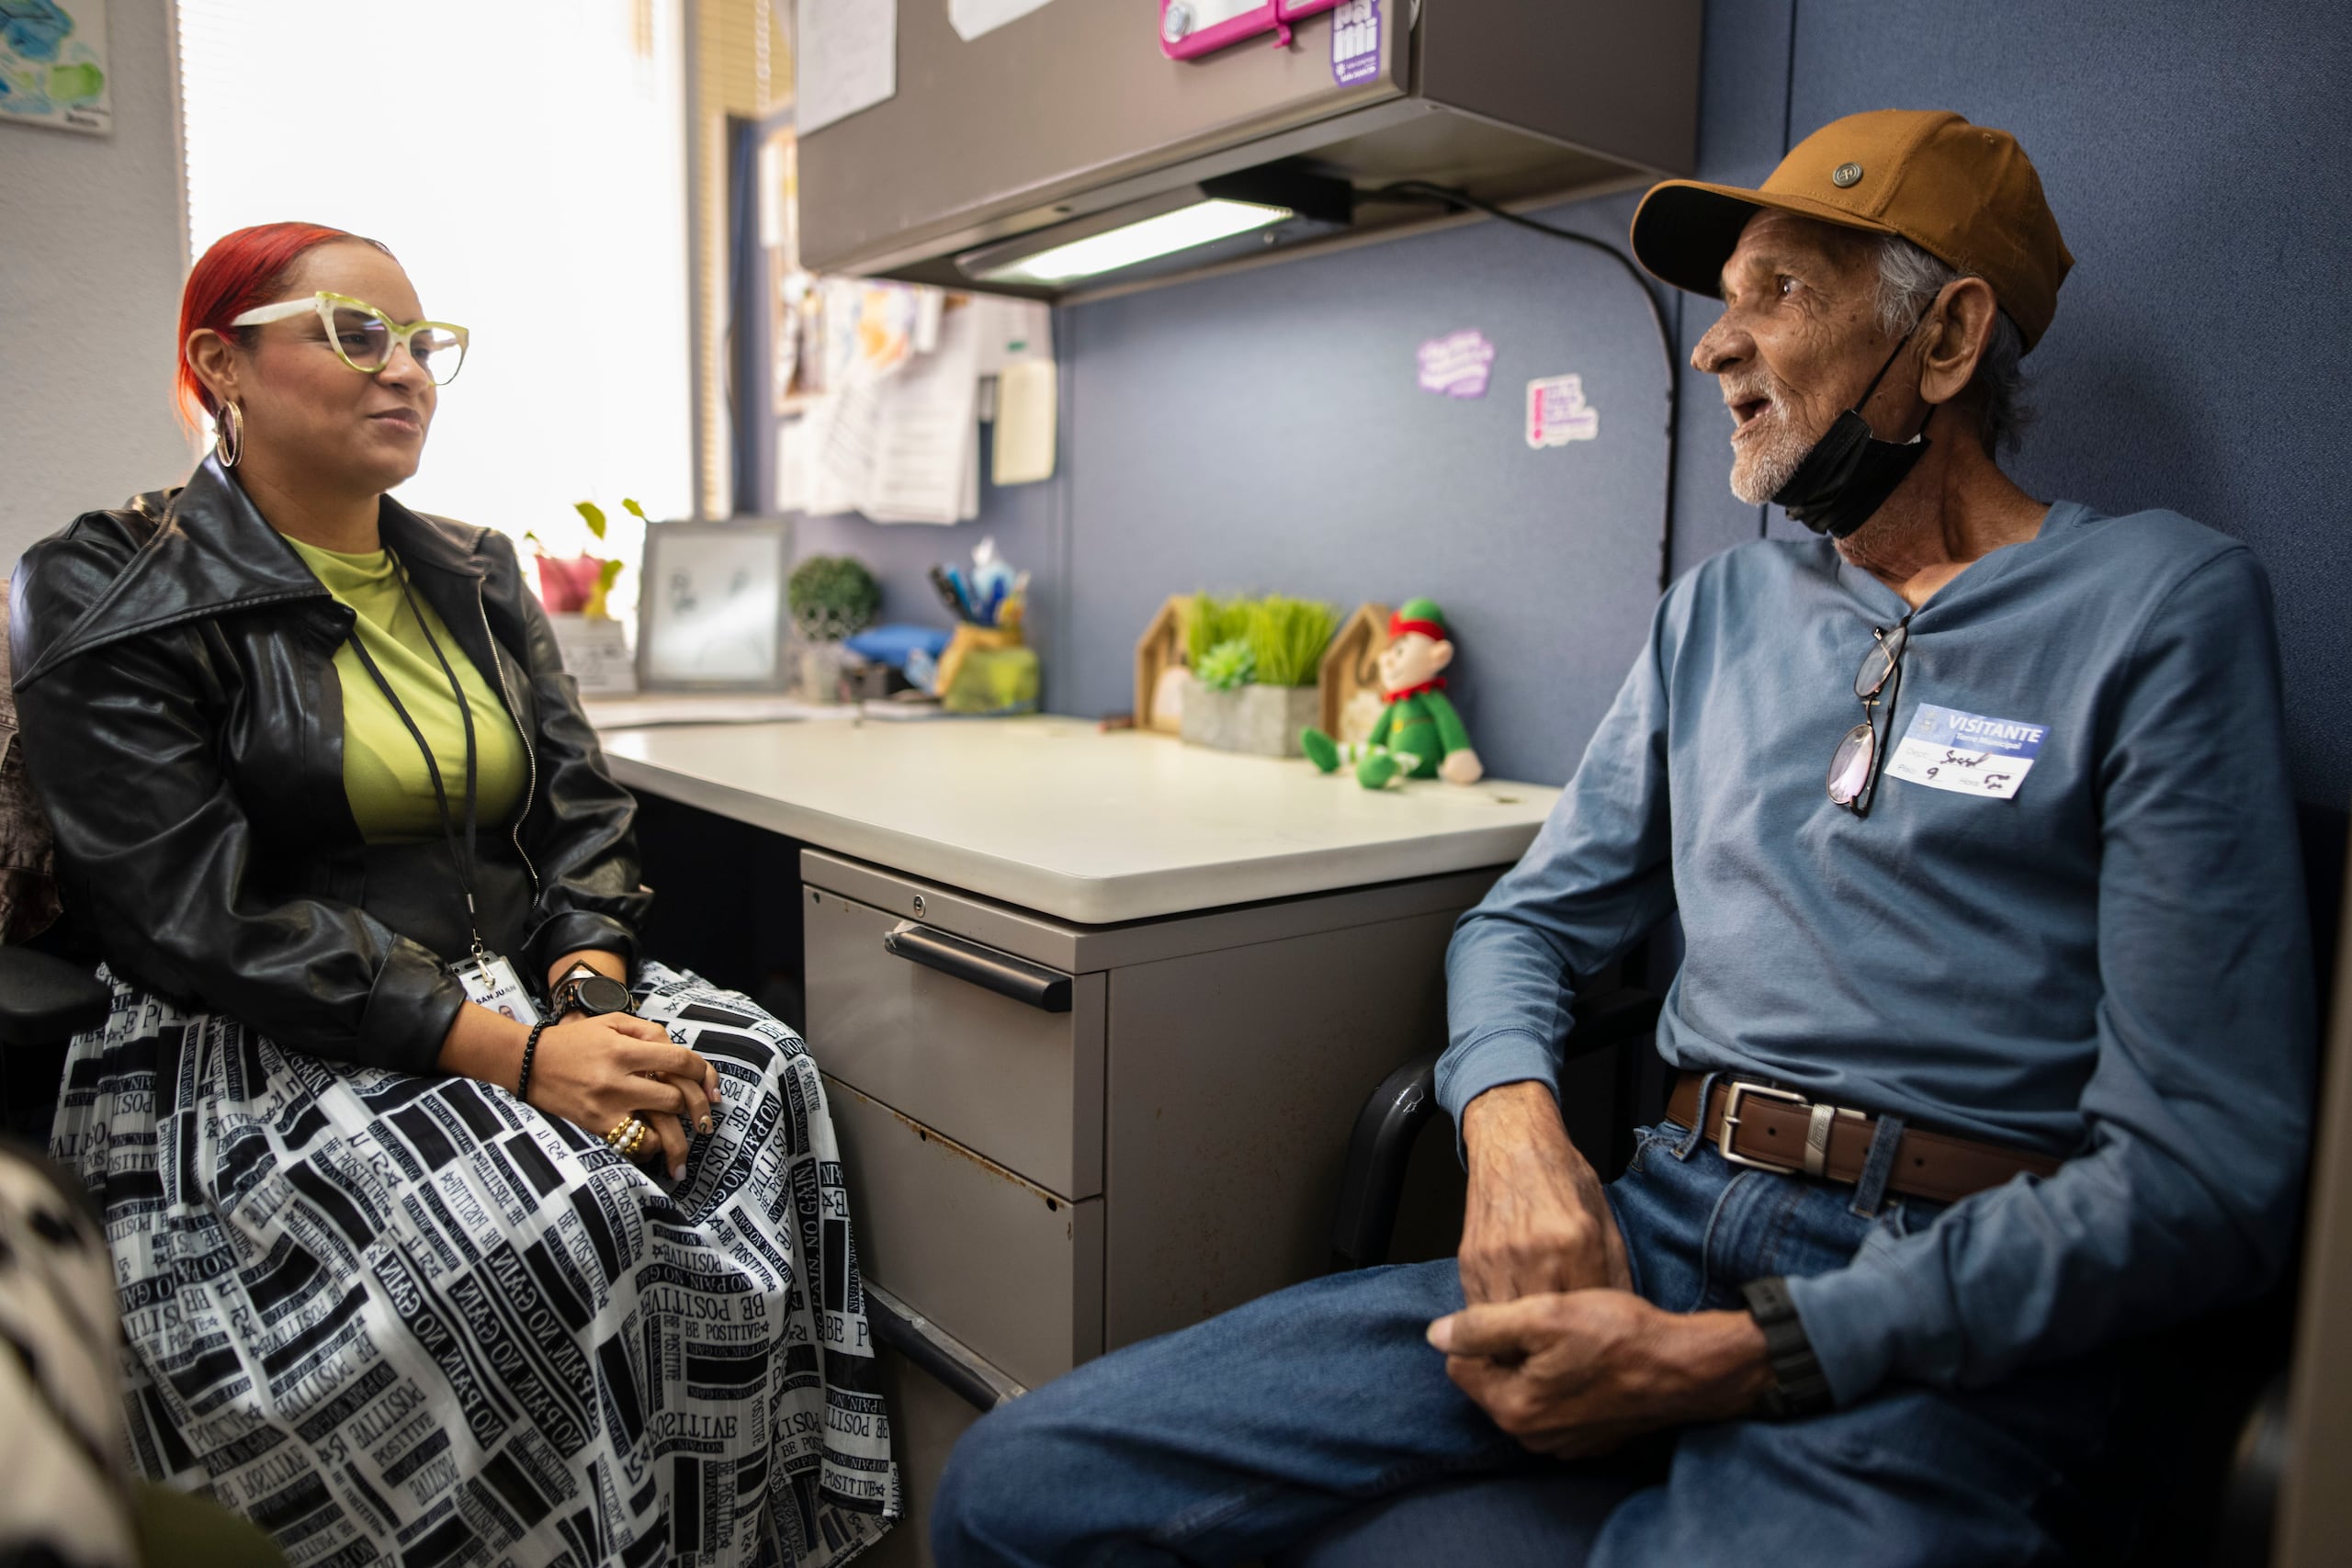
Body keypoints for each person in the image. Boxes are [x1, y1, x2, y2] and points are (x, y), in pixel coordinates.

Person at [929, 109, 2313, 1565]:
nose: (1718, 347)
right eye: (1727, 303)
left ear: (1950, 339)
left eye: (1780, 293)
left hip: (1938, 1310)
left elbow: (2200, 1175)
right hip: (1657, 1224)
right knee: (1019, 1491)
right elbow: (1526, 925)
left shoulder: (2159, 609)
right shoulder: (1720, 613)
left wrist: (1742, 1354)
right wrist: (1517, 1134)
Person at [9, 221, 897, 1566]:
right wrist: (527, 1060)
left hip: (515, 994)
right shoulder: (101, 584)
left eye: (423, 345)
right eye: (356, 334)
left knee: (757, 1079)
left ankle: (714, 1537)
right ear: (220, 365)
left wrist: (588, 989)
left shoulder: (476, 577)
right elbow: (197, 913)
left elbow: (578, 815)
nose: (406, 370)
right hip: (259, 1039)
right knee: (553, 1216)